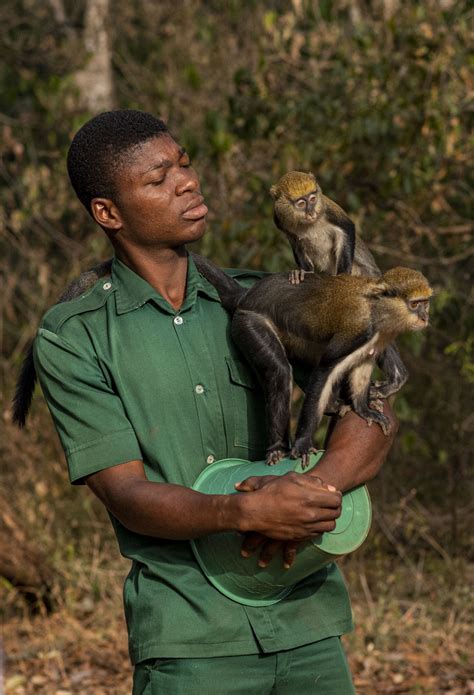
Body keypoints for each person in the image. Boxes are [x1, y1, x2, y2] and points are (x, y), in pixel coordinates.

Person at [34, 109, 397, 694]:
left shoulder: (266, 299)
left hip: (309, 627)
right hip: (190, 642)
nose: (186, 182)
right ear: (108, 212)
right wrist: (245, 513)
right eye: (157, 180)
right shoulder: (75, 336)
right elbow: (126, 493)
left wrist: (318, 490)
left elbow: (370, 408)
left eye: (184, 164)